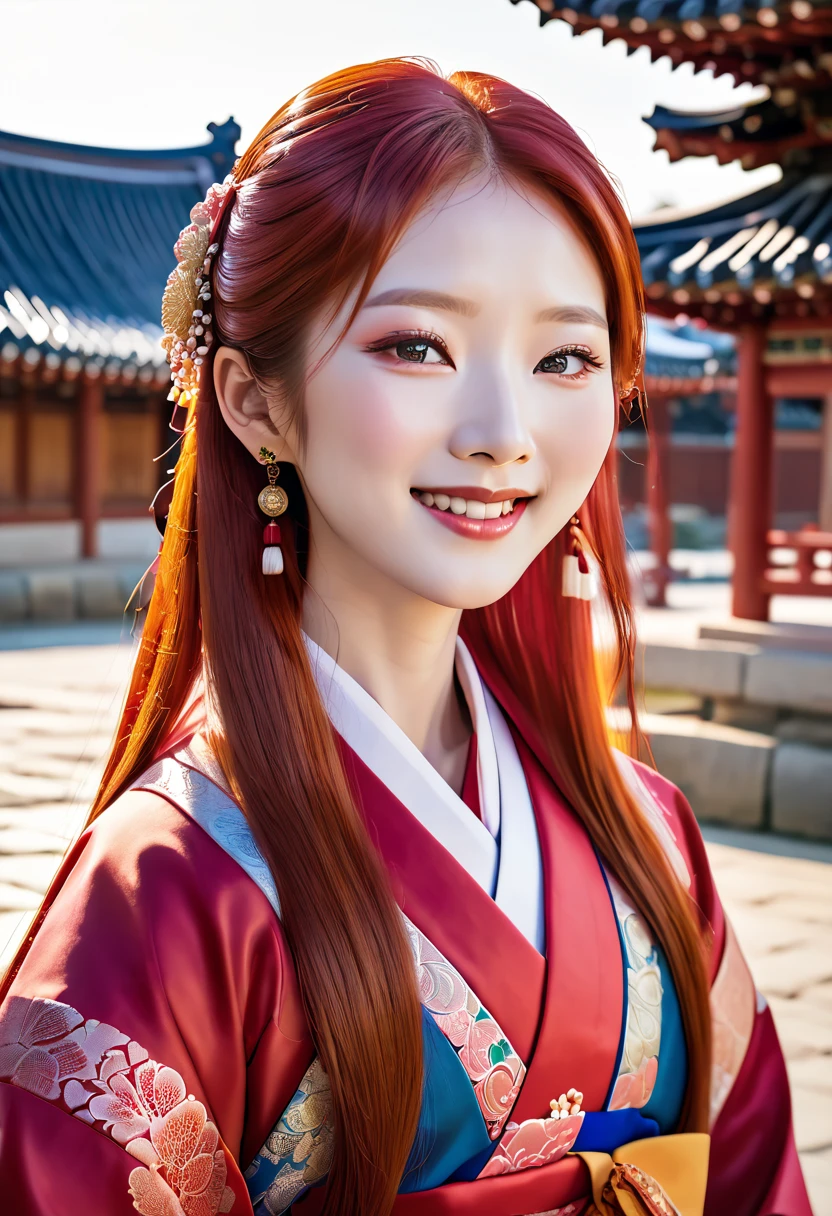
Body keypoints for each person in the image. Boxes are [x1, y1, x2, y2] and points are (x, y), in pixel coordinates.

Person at [0, 59, 812, 1216]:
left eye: (565, 360)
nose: (502, 433)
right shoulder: (162, 898)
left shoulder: (651, 833)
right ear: (253, 402)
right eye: (416, 346)